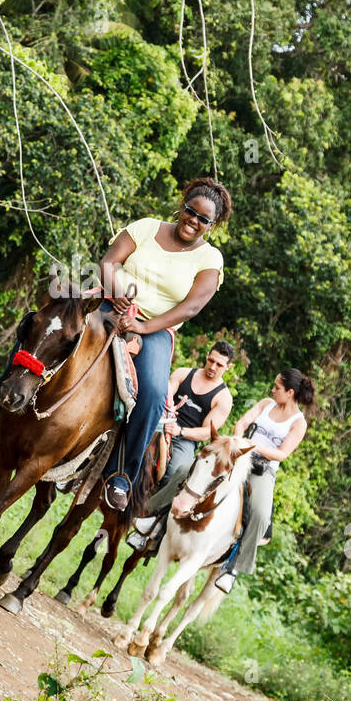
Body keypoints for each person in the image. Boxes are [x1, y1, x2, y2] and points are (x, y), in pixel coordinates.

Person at [97, 179, 232, 511]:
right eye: (191, 212)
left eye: (203, 219)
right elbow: (108, 264)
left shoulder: (210, 259)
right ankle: (0, 414)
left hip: (156, 328)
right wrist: (120, 300)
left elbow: (190, 307)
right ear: (182, 206)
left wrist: (142, 326)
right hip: (111, 304)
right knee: (50, 322)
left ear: (211, 226)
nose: (194, 221)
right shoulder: (146, 228)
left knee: (155, 394)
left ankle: (120, 475)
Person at [128, 341, 235, 547]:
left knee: (178, 470)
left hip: (185, 439)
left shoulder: (223, 398)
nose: (212, 367)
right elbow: (166, 391)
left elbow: (207, 432)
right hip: (161, 422)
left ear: (228, 367)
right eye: (211, 360)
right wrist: (167, 408)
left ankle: (150, 521)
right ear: (206, 355)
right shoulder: (184, 373)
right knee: (129, 432)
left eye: (219, 365)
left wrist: (180, 431)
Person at [213, 368, 312, 592]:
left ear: (289, 392)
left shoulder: (299, 423)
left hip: (262, 469)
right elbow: (242, 423)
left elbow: (281, 454)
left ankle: (234, 568)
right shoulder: (266, 403)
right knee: (200, 469)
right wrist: (239, 435)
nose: (272, 390)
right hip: (240, 454)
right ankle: (158, 521)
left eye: (277, 387)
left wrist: (253, 446)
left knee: (260, 515)